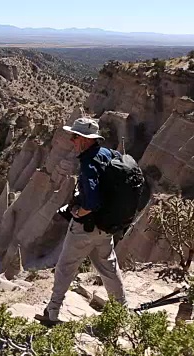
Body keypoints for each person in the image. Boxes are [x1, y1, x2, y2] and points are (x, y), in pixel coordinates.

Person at [45, 117, 127, 323]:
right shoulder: (109, 154)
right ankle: (121, 312)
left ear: (84, 139)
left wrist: (76, 213)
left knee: (65, 267)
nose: (72, 140)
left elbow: (91, 202)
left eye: (75, 136)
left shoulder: (89, 163)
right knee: (109, 268)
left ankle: (52, 311)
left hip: (85, 228)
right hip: (106, 226)